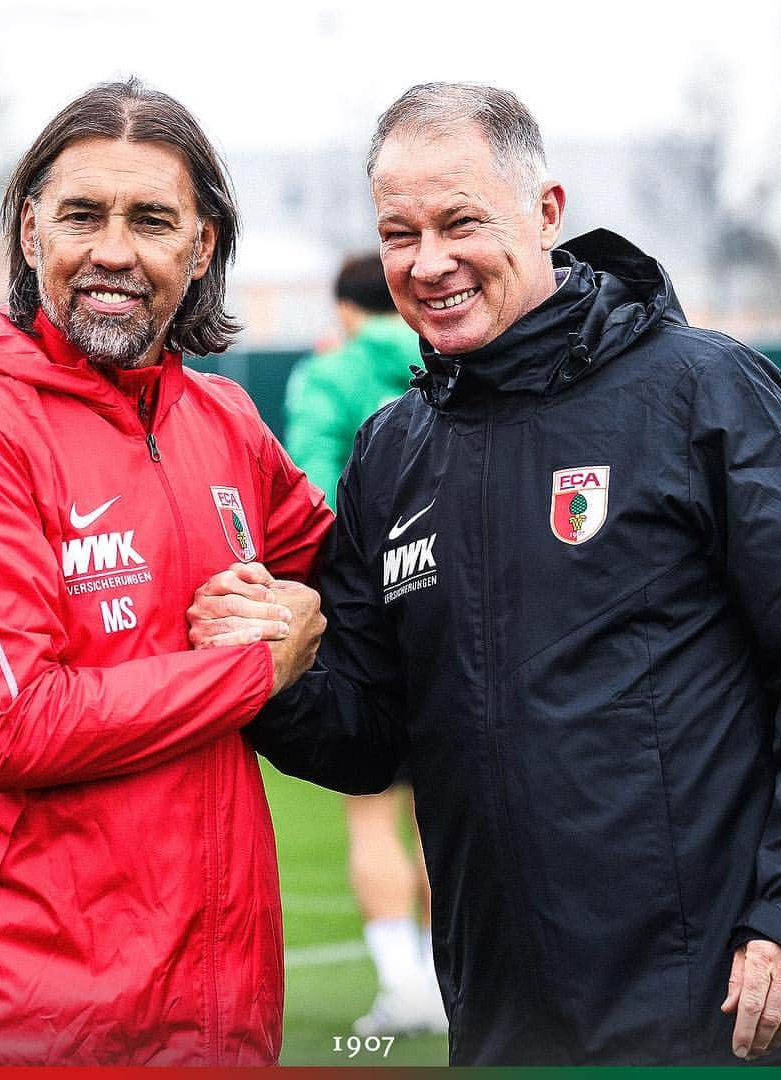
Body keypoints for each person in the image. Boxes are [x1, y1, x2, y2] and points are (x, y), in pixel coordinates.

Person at [186, 82, 781, 1066]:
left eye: (459, 222)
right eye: (400, 233)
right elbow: (369, 739)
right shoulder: (392, 450)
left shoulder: (700, 390)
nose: (429, 263)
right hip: (499, 1021)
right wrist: (276, 672)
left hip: (709, 1009)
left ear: (547, 212)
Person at [0, 78, 331, 1066]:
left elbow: (344, 574)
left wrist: (299, 602)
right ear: (32, 233)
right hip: (26, 1026)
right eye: (83, 214)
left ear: (202, 249)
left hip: (221, 1016)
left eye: (151, 219)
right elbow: (13, 724)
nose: (112, 249)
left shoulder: (225, 424)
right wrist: (256, 666)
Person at [283, 253, 446, 1037]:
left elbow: (309, 498)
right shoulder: (453, 353)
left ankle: (405, 985)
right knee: (452, 811)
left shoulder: (331, 374)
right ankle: (457, 981)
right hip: (455, 604)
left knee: (371, 813)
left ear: (345, 310)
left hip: (367, 614)